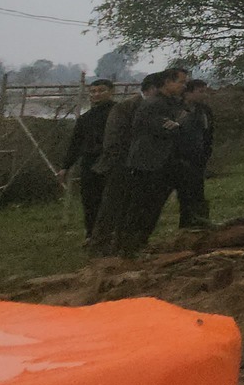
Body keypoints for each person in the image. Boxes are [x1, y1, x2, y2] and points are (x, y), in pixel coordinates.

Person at [118, 68, 190, 257]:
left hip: (164, 164)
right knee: (141, 207)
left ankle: (140, 244)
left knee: (154, 207)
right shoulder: (154, 104)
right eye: (180, 82)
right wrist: (178, 125)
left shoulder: (171, 104)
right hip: (147, 164)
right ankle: (129, 248)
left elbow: (181, 125)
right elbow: (166, 129)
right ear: (167, 82)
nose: (183, 86)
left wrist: (178, 125)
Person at [89, 72, 158, 256]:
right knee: (111, 207)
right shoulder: (127, 108)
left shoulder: (149, 106)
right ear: (152, 89)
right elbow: (114, 140)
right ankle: (99, 247)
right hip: (120, 164)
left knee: (130, 207)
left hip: (138, 165)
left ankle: (123, 245)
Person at [61, 80, 116, 238]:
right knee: (90, 200)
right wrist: (65, 166)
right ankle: (92, 235)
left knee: (111, 200)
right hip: (90, 163)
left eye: (101, 90)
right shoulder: (85, 118)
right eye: (93, 91)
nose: (96, 94)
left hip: (112, 162)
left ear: (111, 92)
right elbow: (75, 144)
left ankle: (112, 234)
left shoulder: (119, 113)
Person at [173, 79, 214, 229]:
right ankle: (186, 224)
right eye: (200, 91)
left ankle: (200, 222)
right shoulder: (175, 109)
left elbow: (208, 133)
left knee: (197, 191)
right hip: (179, 158)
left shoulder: (204, 110)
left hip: (198, 157)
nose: (204, 94)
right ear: (188, 92)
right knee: (184, 194)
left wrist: (206, 153)